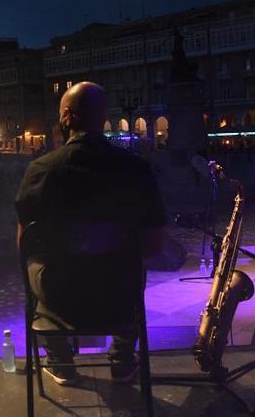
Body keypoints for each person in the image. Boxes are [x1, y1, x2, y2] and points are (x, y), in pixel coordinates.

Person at [15, 81, 165, 385]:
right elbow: (155, 245)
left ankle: (60, 361)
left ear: (67, 117)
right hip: (118, 296)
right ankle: (123, 359)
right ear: (102, 117)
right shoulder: (135, 169)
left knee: (32, 263)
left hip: (59, 295)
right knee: (134, 265)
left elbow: (23, 245)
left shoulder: (40, 171)